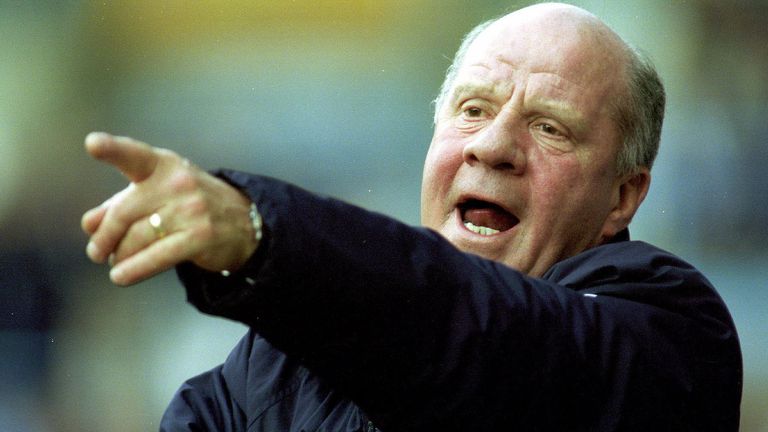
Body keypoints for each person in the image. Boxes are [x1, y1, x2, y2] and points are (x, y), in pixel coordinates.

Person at [82, 3, 742, 431]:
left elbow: (481, 339)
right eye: (473, 109)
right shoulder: (273, 364)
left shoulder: (670, 332)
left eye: (550, 127)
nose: (492, 145)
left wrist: (265, 235)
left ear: (623, 198)